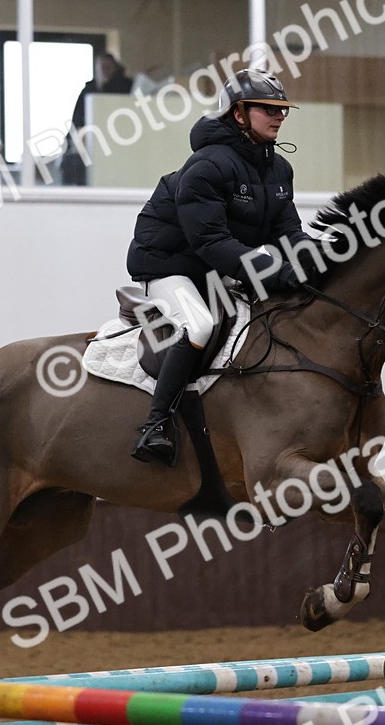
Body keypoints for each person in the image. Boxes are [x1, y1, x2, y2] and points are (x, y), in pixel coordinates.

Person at [125, 68, 314, 466]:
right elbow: (210, 242)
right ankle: (155, 424)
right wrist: (274, 271)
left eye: (282, 110)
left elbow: (289, 233)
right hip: (168, 265)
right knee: (201, 326)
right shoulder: (207, 166)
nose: (279, 116)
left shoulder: (279, 170)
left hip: (215, 267)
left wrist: (323, 261)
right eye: (268, 108)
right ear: (239, 114)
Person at [61, 53, 134, 185]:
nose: (104, 71)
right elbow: (77, 119)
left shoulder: (125, 86)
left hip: (116, 139)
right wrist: (78, 135)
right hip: (89, 139)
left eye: (107, 67)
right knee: (71, 163)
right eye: (101, 68)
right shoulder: (89, 89)